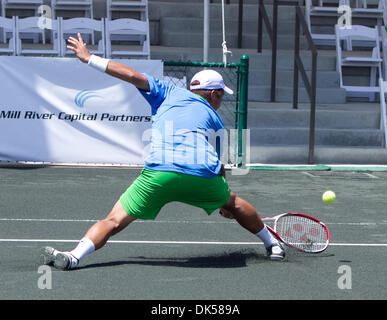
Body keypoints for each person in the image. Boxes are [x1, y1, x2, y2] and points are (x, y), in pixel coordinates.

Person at [39, 33, 285, 270]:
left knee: (112, 221)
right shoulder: (215, 119)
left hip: (159, 174)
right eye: (221, 95)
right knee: (235, 202)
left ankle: (73, 256)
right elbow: (218, 165)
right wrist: (223, 204)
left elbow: (131, 75)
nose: (221, 101)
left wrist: (89, 58)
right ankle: (272, 244)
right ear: (213, 94)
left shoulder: (167, 91)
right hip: (201, 176)